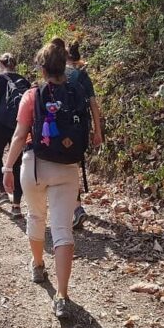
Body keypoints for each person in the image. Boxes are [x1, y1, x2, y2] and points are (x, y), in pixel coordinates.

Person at [2, 42, 90, 319]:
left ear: (41, 68)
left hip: (35, 164)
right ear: (64, 65)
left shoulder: (32, 95)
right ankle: (63, 296)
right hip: (67, 168)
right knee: (64, 230)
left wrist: (7, 167)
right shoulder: (78, 92)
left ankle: (38, 265)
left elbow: (19, 136)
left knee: (36, 217)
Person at [0, 53, 30, 218]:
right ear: (14, 64)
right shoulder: (24, 81)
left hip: (0, 124)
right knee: (17, 164)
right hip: (20, 126)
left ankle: (3, 193)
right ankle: (17, 206)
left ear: (0, 63)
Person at [64, 40, 103, 229]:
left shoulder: (59, 73)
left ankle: (76, 208)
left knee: (67, 167)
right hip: (81, 128)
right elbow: (93, 105)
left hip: (63, 129)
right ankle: (75, 207)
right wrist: (98, 131)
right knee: (74, 165)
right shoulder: (82, 76)